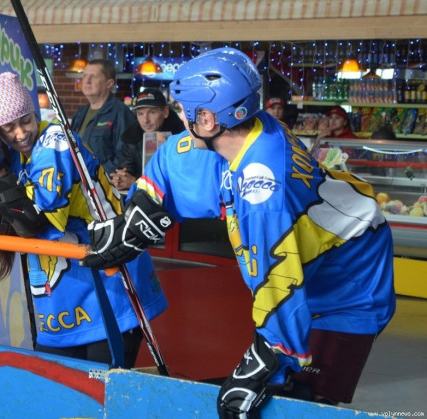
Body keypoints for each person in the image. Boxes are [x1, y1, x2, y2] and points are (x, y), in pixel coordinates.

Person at [82, 48, 395, 416]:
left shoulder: (263, 191)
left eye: (182, 109)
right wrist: (142, 209)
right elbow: (178, 157)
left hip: (352, 279)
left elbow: (278, 279)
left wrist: (268, 360)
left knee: (301, 400)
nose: (179, 117)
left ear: (208, 119)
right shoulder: (243, 132)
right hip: (312, 248)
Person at [0, 72, 167, 367]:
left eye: (26, 120)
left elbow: (28, 221)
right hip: (61, 299)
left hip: (110, 281)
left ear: (35, 114)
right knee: (60, 390)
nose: (21, 133)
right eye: (8, 127)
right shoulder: (8, 155)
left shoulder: (56, 141)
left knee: (99, 393)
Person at [70, 59, 136, 176]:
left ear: (109, 84)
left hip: (103, 183)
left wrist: (98, 176)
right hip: (77, 181)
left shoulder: (121, 113)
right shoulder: (80, 113)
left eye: (93, 76)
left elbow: (124, 157)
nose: (87, 81)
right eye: (85, 76)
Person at [111, 89, 185, 191]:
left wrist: (137, 182)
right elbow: (126, 172)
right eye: (140, 114)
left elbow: (183, 179)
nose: (145, 120)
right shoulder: (131, 137)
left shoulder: (183, 137)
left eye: (152, 112)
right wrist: (120, 179)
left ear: (165, 112)